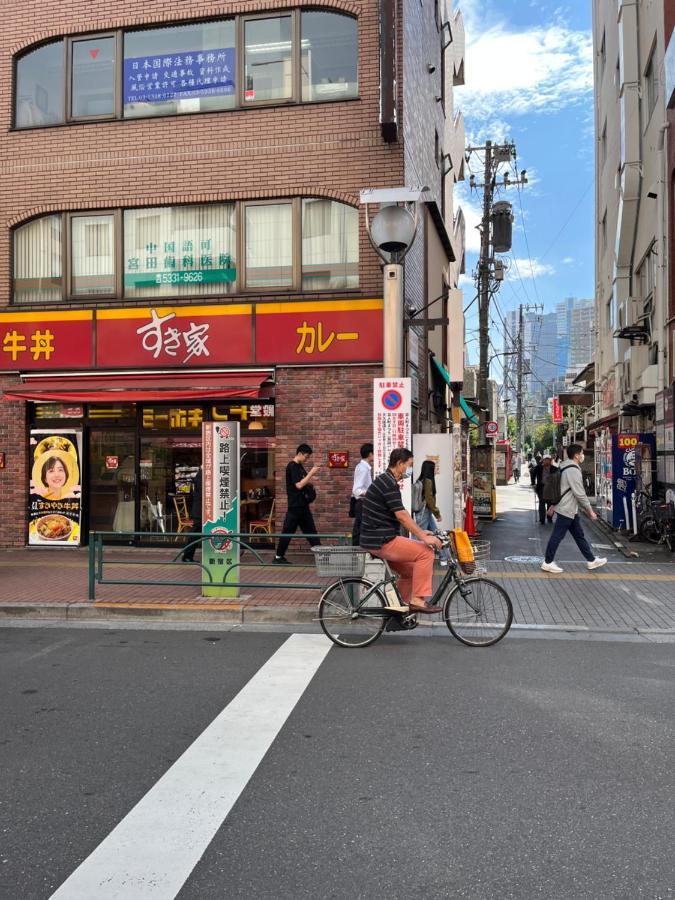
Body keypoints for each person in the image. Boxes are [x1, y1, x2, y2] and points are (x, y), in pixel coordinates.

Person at [360, 447, 442, 614]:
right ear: (399, 463)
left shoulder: (387, 481)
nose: (410, 469)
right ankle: (418, 600)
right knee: (426, 552)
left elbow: (402, 514)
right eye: (409, 465)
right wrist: (423, 538)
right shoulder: (388, 483)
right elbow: (402, 516)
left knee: (411, 571)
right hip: (381, 540)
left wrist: (421, 532)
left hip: (376, 539)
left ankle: (398, 610)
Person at [541, 444, 607, 574]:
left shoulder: (566, 467)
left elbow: (563, 489)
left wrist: (553, 506)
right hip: (567, 509)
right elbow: (579, 493)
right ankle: (547, 562)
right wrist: (590, 510)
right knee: (557, 536)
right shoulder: (573, 470)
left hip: (570, 509)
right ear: (577, 455)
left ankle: (591, 560)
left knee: (579, 536)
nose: (583, 455)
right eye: (582, 453)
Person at [273, 443, 320, 564]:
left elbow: (303, 482)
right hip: (295, 506)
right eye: (306, 456)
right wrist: (311, 473)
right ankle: (278, 557)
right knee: (289, 531)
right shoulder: (292, 466)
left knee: (311, 531)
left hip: (302, 505)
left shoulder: (299, 466)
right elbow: (298, 485)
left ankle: (321, 556)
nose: (307, 459)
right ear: (299, 453)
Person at [413, 459, 448, 566]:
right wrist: (437, 513)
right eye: (435, 467)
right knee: (418, 536)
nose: (436, 469)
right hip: (424, 513)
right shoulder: (428, 481)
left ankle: (443, 558)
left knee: (437, 534)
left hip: (424, 512)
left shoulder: (421, 480)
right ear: (430, 469)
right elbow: (429, 499)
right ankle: (411, 557)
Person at [351, 442, 373, 546]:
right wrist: (370, 493)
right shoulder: (363, 469)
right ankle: (356, 554)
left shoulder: (363, 467)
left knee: (360, 528)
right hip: (362, 503)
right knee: (360, 529)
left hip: (362, 503)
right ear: (370, 454)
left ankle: (357, 554)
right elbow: (356, 490)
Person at [181, 466, 202, 562]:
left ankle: (187, 556)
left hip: (200, 510)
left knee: (196, 533)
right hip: (200, 511)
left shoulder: (200, 475)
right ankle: (187, 556)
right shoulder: (201, 476)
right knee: (195, 533)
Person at [533, 453, 558, 524]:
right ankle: (542, 519)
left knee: (550, 503)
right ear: (543, 460)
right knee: (542, 503)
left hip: (551, 489)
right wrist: (533, 483)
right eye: (545, 460)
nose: (547, 461)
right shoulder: (538, 467)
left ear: (550, 461)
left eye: (548, 460)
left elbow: (558, 478)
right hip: (541, 487)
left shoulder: (555, 469)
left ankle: (549, 517)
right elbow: (533, 474)